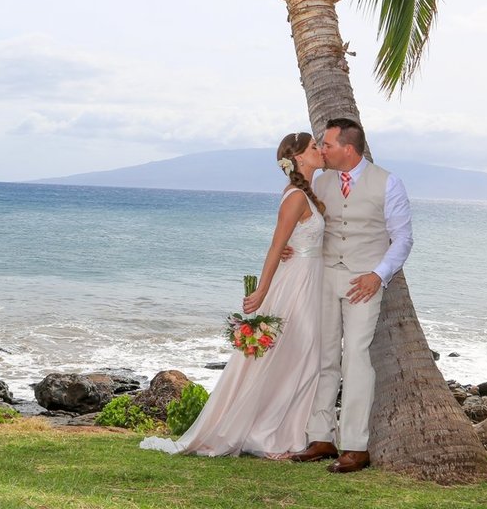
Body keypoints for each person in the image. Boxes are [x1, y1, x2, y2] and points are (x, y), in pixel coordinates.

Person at [139, 131, 326, 458]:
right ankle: (270, 436)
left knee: (303, 357)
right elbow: (275, 246)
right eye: (313, 147)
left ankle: (291, 433)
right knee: (300, 355)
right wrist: (262, 293)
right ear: (297, 158)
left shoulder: (309, 193)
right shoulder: (296, 196)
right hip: (296, 284)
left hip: (311, 280)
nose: (320, 150)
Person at [288, 118, 415, 473]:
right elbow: (305, 221)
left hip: (364, 282)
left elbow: (402, 238)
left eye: (326, 145)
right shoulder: (321, 181)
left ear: (348, 148)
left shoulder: (388, 183)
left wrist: (379, 274)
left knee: (356, 357)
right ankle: (321, 437)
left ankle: (356, 446)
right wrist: (291, 249)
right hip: (325, 276)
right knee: (324, 356)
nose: (322, 150)